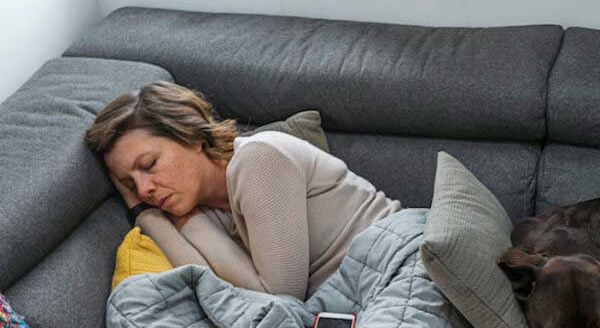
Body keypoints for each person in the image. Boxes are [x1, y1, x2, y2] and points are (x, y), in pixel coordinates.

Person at [85, 82, 401, 300]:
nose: (144, 189)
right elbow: (208, 285)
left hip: (398, 264)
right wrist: (145, 214)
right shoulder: (203, 211)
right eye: (129, 185)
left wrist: (175, 220)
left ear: (191, 135)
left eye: (150, 164)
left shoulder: (258, 159)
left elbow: (278, 299)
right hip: (358, 296)